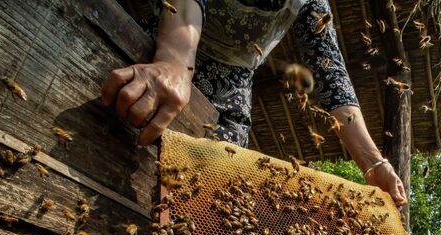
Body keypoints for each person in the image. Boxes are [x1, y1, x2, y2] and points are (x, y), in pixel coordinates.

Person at [101, 0, 407, 205]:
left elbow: (331, 74)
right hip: (161, 47)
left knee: (206, 200)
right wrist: (174, 61)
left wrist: (374, 163)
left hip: (230, 90)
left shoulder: (314, 4)